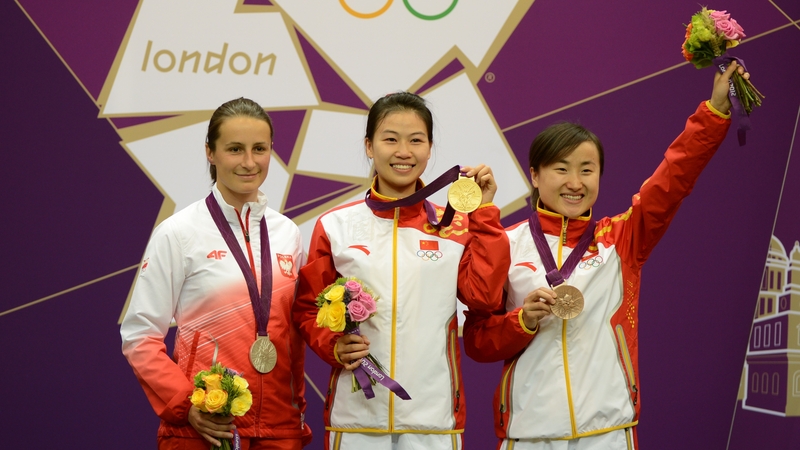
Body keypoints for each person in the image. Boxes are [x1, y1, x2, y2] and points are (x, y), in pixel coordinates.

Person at [462, 62, 751, 450]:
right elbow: (478, 342)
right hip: (529, 435)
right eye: (561, 169)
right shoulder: (507, 243)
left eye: (587, 170)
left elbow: (674, 177)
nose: (575, 183)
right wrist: (522, 321)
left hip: (608, 434)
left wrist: (714, 112)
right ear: (535, 175)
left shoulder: (623, 237)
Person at [293, 91, 510, 449]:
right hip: (356, 420)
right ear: (369, 145)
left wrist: (483, 213)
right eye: (390, 139)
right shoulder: (336, 225)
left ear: (430, 148)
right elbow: (306, 309)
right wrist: (334, 345)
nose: (404, 151)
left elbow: (484, 299)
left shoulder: (454, 227)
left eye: (416, 140)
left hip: (433, 419)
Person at [121, 97, 311, 449]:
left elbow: (292, 337)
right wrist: (186, 404)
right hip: (205, 428)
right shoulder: (178, 233)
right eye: (235, 149)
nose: (249, 162)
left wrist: (294, 412)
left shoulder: (288, 233)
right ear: (210, 152)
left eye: (260, 149)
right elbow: (139, 336)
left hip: (278, 429)